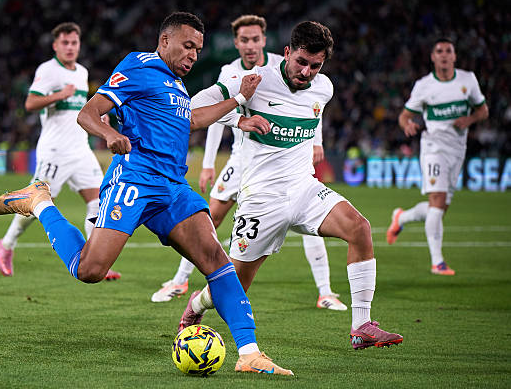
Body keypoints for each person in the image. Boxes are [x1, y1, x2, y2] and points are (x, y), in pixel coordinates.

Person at [0, 12, 294, 375]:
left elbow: (192, 120)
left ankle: (249, 353)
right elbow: (87, 113)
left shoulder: (177, 85)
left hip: (173, 187)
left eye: (198, 49)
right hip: (135, 180)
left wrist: (238, 100)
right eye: (187, 46)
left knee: (216, 259)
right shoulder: (139, 65)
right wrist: (109, 133)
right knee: (90, 270)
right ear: (165, 41)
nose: (193, 55)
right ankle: (40, 202)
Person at [178, 20, 403, 351]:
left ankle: (361, 326)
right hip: (261, 198)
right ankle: (197, 303)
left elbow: (315, 112)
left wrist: (317, 142)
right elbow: (193, 106)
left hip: (303, 189)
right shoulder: (254, 80)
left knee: (359, 228)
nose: (307, 72)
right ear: (286, 53)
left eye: (316, 65)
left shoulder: (324, 87)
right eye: (301, 62)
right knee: (236, 284)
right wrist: (239, 118)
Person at [152, 15, 347, 312]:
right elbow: (211, 113)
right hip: (241, 159)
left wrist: (316, 142)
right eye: (244, 40)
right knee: (210, 219)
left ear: (265, 41)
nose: (250, 45)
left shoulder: (286, 66)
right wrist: (209, 162)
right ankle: (180, 280)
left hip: (279, 164)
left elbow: (311, 106)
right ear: (236, 43)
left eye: (255, 39)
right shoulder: (231, 72)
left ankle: (325, 291)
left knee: (309, 220)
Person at [0, 22, 120, 281]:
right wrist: (59, 95)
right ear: (55, 45)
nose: (70, 47)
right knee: (36, 203)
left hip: (81, 150)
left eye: (74, 43)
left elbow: (81, 108)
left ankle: (94, 260)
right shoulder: (48, 70)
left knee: (98, 202)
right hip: (54, 151)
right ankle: (6, 244)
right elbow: (30, 103)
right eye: (65, 43)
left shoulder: (82, 72)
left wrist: (99, 118)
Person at [387, 38, 488, 275]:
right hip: (433, 148)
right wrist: (407, 125)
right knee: (438, 200)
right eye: (439, 51)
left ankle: (401, 218)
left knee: (439, 207)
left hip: (457, 150)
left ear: (454, 56)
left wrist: (470, 119)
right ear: (433, 57)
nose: (444, 55)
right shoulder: (424, 86)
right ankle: (437, 262)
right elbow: (404, 116)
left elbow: (483, 110)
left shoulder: (468, 80)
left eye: (448, 51)